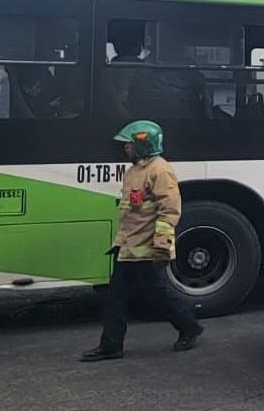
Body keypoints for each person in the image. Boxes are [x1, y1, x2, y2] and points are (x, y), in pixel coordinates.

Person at [80, 121, 203, 361]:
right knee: (115, 296)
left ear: (143, 144)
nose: (126, 149)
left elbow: (169, 210)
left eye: (129, 145)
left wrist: (162, 246)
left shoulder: (160, 170)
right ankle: (111, 345)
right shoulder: (134, 171)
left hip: (148, 249)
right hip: (128, 248)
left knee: (157, 294)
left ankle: (189, 327)